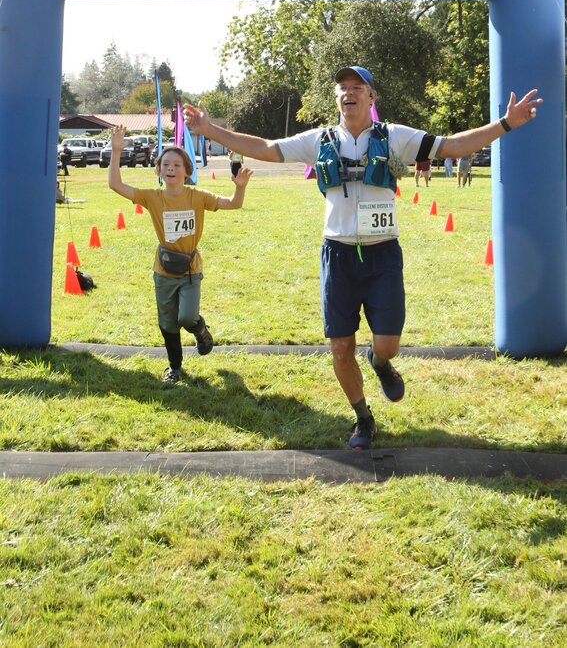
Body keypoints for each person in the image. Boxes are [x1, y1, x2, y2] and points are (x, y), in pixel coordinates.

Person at [183, 68, 542, 448]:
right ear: (336, 98)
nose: (348, 94)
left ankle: (381, 361)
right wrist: (212, 130)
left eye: (357, 88)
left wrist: (505, 123)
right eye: (343, 89)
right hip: (337, 254)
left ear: (372, 98)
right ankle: (363, 419)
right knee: (340, 347)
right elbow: (266, 148)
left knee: (387, 345)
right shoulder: (320, 139)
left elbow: (451, 146)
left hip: (383, 254)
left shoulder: (394, 137)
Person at [108, 125, 253, 385]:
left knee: (186, 317)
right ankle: (175, 367)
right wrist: (117, 151)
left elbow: (234, 203)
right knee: (168, 324)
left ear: (187, 171)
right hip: (163, 270)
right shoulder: (152, 197)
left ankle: (200, 329)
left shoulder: (198, 196)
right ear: (160, 171)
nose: (171, 169)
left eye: (176, 165)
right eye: (166, 165)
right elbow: (115, 184)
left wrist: (239, 187)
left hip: (190, 270)